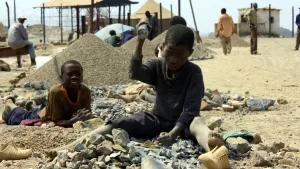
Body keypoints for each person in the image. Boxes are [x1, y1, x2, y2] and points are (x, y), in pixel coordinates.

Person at [48, 25, 223, 157]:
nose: (173, 59)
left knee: (198, 124)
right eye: (169, 53)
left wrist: (173, 134)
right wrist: (139, 41)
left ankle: (215, 152)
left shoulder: (194, 72)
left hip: (185, 124)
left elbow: (190, 109)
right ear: (163, 46)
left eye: (181, 55)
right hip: (159, 118)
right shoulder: (158, 65)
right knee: (119, 123)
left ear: (190, 53)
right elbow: (135, 73)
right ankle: (70, 146)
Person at [0, 60, 92, 127]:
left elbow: (87, 114)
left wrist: (83, 117)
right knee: (21, 117)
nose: (74, 77)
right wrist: (73, 121)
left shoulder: (85, 91)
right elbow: (56, 121)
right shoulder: (56, 91)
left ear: (82, 77)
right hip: (47, 115)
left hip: (52, 108)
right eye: (70, 74)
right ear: (61, 78)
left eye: (78, 74)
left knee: (36, 110)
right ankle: (10, 104)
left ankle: (31, 106)